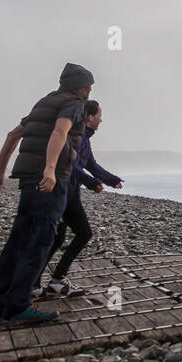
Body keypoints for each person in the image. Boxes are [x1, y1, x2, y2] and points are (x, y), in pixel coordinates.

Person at [0, 62, 93, 326]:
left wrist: (0, 170)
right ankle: (18, 307)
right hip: (49, 182)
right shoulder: (75, 103)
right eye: (89, 85)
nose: (90, 90)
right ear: (82, 86)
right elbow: (60, 131)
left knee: (19, 239)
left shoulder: (44, 102)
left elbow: (13, 134)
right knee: (40, 242)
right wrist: (50, 169)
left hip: (27, 179)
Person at [35, 99, 123, 298]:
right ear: (90, 117)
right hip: (65, 193)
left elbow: (90, 164)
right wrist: (92, 183)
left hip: (67, 193)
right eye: (99, 116)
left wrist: (111, 180)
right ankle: (56, 279)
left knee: (56, 240)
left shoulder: (85, 138)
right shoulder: (77, 136)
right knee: (84, 233)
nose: (102, 120)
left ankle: (36, 282)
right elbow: (69, 166)